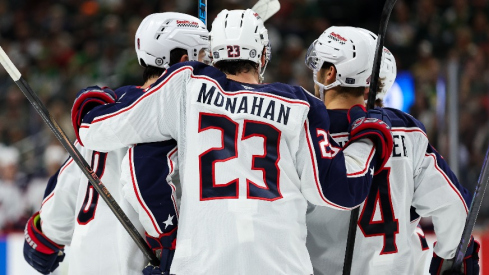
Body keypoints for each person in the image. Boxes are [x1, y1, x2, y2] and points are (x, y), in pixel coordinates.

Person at [69, 9, 393, 274]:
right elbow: (339, 192)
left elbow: (96, 128)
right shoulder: (299, 104)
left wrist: (97, 101)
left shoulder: (187, 83)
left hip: (201, 266)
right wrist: (370, 139)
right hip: (281, 267)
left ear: (213, 53)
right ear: (264, 55)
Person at [22, 12, 210, 275]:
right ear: (184, 61)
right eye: (203, 59)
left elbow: (65, 187)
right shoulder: (181, 119)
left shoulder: (104, 112)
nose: (209, 70)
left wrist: (44, 239)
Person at [304, 26, 479, 275]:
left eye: (319, 67)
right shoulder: (408, 131)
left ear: (331, 74)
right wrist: (452, 259)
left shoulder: (307, 131)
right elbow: (454, 207)